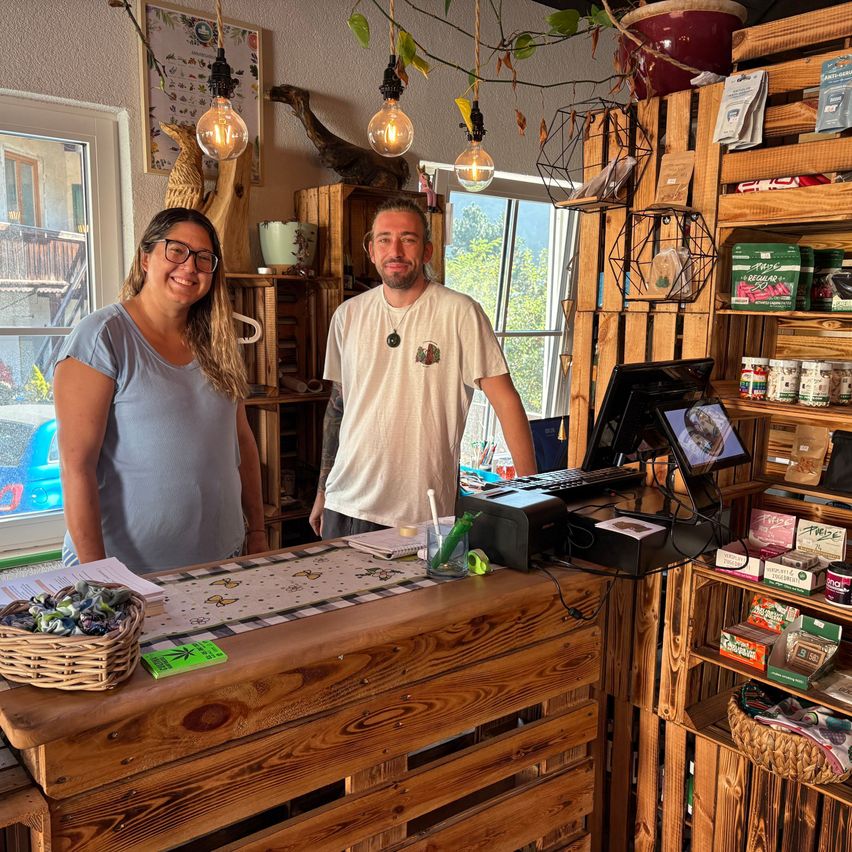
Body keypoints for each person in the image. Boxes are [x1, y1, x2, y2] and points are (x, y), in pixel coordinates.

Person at [53, 207, 266, 574]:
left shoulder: (218, 342)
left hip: (221, 563)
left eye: (204, 258)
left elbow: (242, 442)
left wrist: (259, 532)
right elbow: (77, 468)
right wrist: (99, 576)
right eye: (176, 250)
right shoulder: (102, 337)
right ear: (145, 258)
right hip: (130, 573)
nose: (190, 267)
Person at [309, 197, 536, 539]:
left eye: (408, 239)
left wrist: (533, 493)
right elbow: (338, 408)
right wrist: (323, 491)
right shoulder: (348, 315)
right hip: (346, 504)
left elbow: (506, 401)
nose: (395, 250)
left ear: (427, 251)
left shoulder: (459, 313)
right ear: (371, 250)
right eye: (384, 239)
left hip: (423, 512)